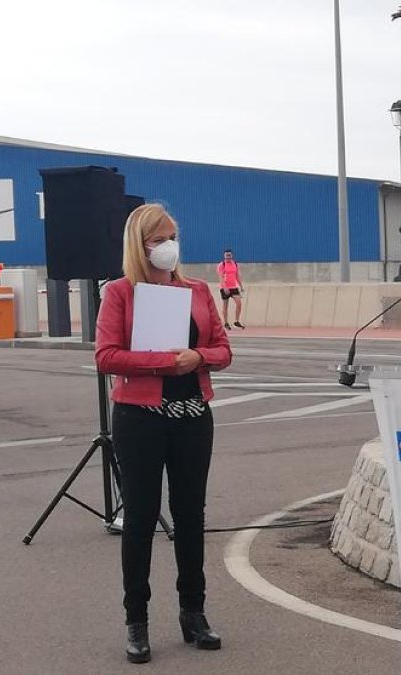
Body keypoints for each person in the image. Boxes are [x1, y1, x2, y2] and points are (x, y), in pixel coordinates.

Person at [96, 204, 231, 664]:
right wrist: (163, 362)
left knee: (191, 515)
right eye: (159, 238)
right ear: (140, 245)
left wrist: (198, 357)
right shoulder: (120, 292)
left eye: (173, 236)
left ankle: (194, 612)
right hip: (140, 418)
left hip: (192, 415)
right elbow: (106, 356)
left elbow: (222, 349)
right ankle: (136, 619)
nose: (169, 245)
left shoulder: (197, 290)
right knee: (140, 517)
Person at [216, 248, 244, 330]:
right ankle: (226, 323)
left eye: (229, 255)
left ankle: (236, 321)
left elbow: (237, 276)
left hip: (234, 287)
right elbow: (221, 277)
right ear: (224, 256)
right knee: (225, 305)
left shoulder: (235, 264)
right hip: (225, 288)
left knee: (239, 303)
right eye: (227, 255)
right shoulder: (222, 265)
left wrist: (241, 286)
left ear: (232, 255)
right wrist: (225, 287)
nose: (228, 257)